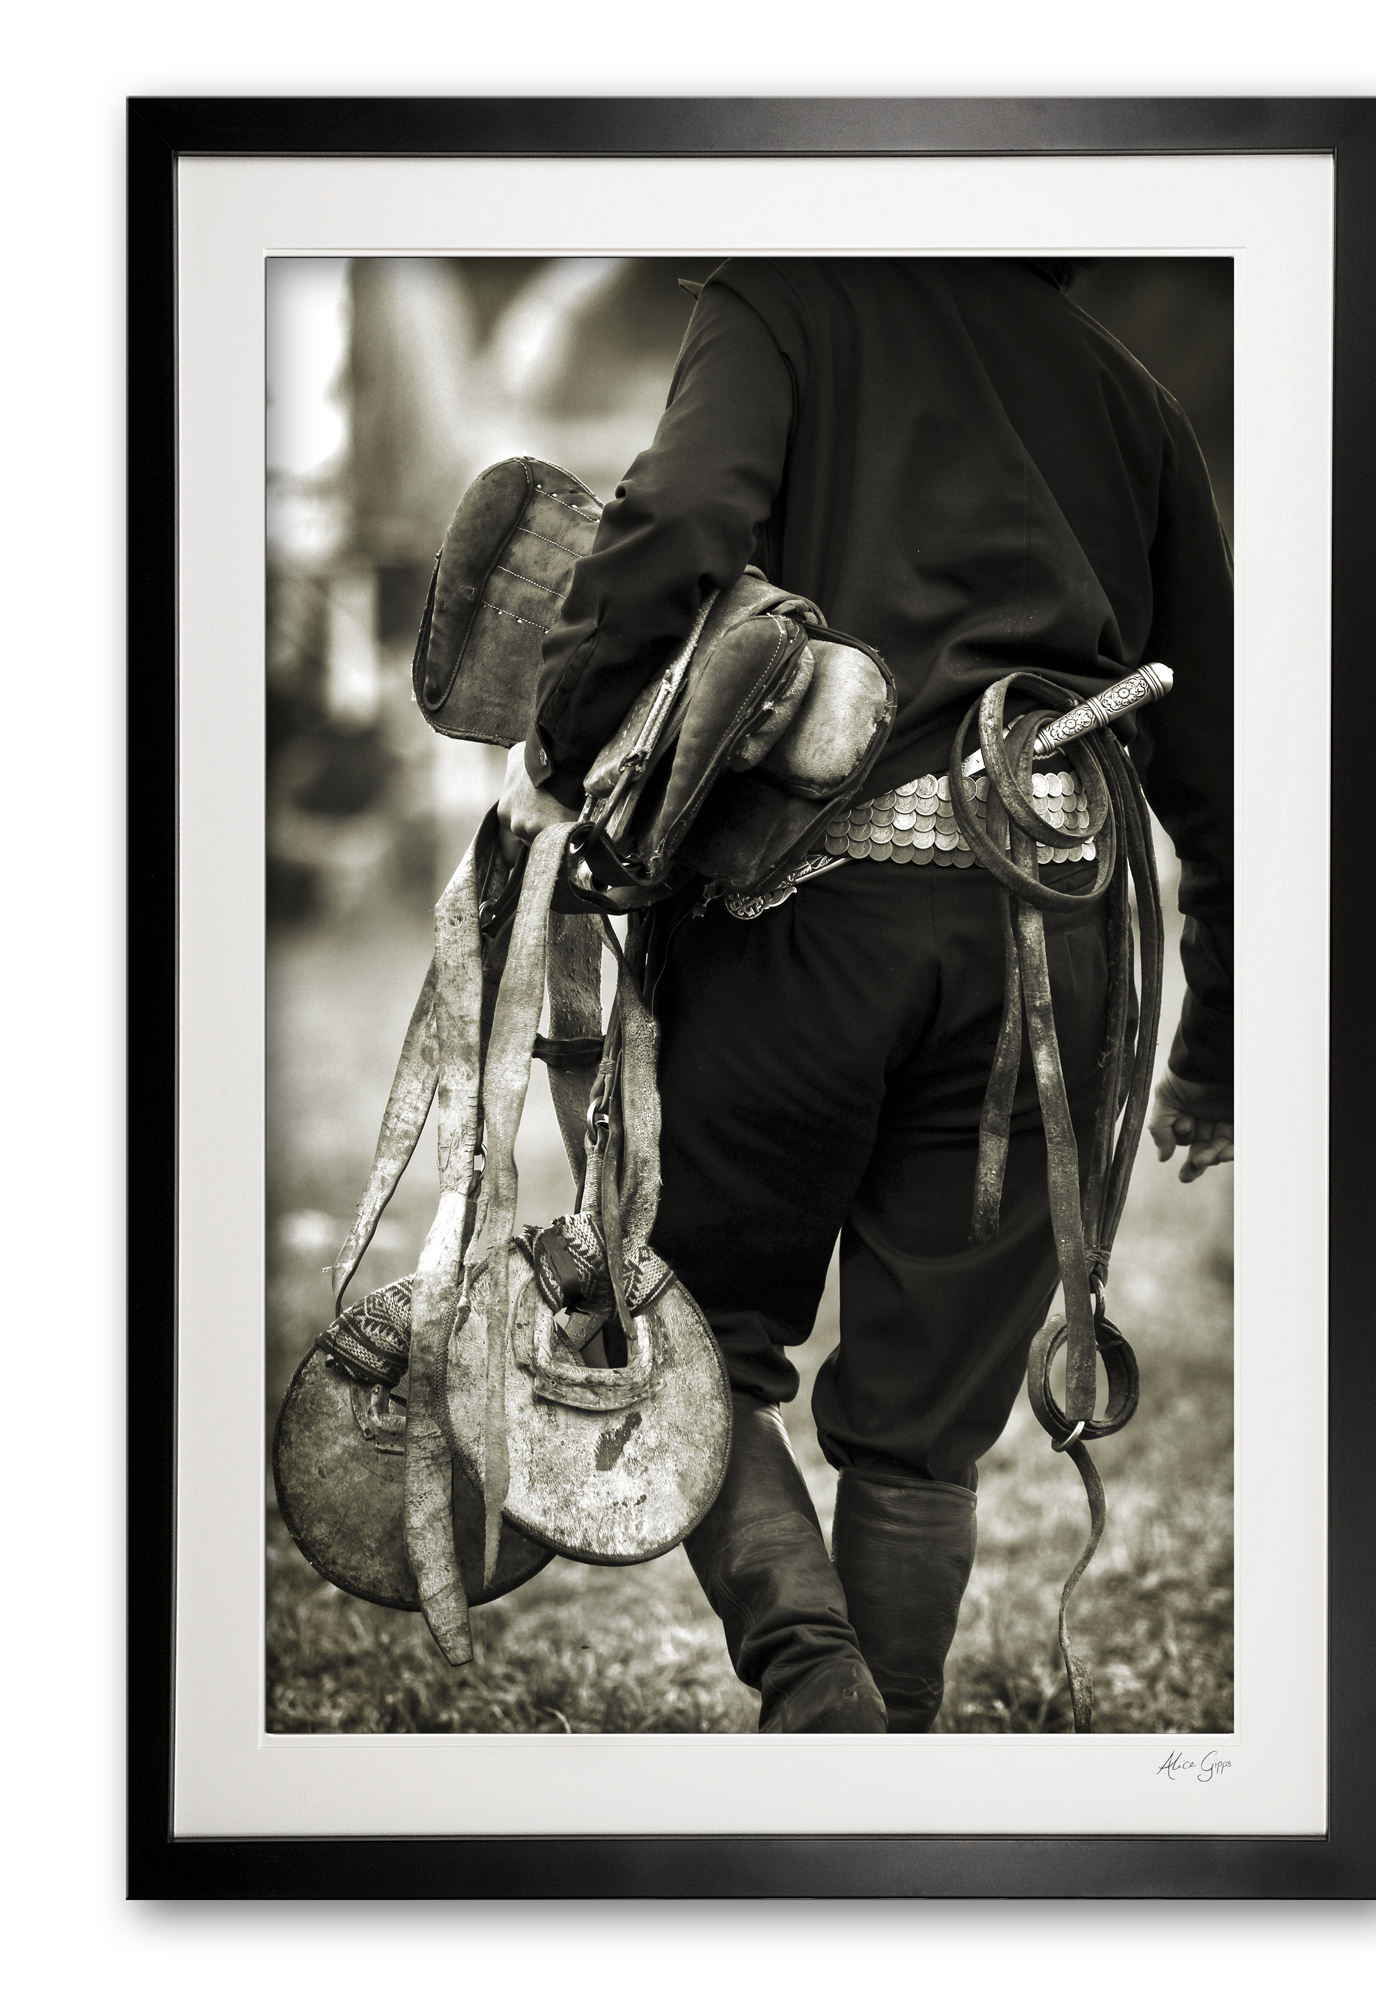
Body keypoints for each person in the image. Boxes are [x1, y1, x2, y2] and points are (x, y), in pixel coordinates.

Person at [496, 258, 1233, 1733]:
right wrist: (1216, 1047)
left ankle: (820, 1695)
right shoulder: (1130, 397)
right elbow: (1223, 761)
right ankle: (871, 1749)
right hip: (1060, 948)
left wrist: (564, 742)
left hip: (806, 916)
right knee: (918, 1437)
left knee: (684, 1326)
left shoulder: (782, 297)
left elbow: (677, 527)